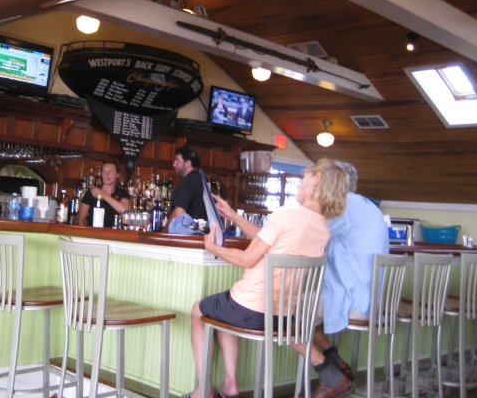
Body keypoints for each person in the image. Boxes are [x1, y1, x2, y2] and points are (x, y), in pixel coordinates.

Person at [185, 158, 351, 398]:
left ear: (317, 179)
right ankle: (230, 386)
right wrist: (233, 215)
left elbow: (247, 259)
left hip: (251, 309)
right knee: (224, 306)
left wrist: (213, 248)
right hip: (282, 316)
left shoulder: (287, 214)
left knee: (199, 311)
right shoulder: (322, 228)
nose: (300, 183)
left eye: (304, 177)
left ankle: (203, 391)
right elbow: (269, 237)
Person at [308, 161, 390, 382]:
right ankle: (333, 359)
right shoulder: (369, 206)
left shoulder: (342, 206)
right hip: (374, 300)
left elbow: (309, 234)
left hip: (355, 301)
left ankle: (329, 375)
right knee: (307, 313)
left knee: (290, 310)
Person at [165, 147, 208, 231]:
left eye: (177, 160)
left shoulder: (188, 180)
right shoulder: (201, 179)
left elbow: (179, 212)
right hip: (200, 233)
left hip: (185, 234)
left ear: (188, 163)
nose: (174, 164)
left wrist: (164, 233)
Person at [77, 160, 130, 227]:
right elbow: (81, 219)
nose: (107, 175)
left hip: (115, 232)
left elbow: (126, 212)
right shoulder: (92, 192)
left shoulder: (122, 193)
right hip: (93, 232)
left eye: (110, 171)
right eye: (104, 171)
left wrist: (102, 194)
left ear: (117, 174)